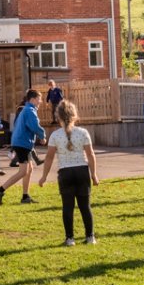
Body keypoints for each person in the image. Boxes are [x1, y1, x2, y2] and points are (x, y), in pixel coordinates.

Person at [38, 100, 100, 246]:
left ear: (58, 117)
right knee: (85, 206)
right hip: (82, 171)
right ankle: (90, 237)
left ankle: (70, 238)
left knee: (67, 206)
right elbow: (90, 154)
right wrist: (94, 174)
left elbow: (49, 157)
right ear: (75, 115)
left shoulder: (55, 135)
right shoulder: (83, 132)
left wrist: (44, 177)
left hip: (65, 172)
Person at [0, 90, 46, 205]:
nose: (40, 101)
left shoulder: (26, 109)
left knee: (29, 169)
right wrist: (42, 136)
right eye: (39, 99)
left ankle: (25, 197)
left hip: (22, 142)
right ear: (33, 99)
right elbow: (35, 126)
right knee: (23, 171)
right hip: (22, 143)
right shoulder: (29, 110)